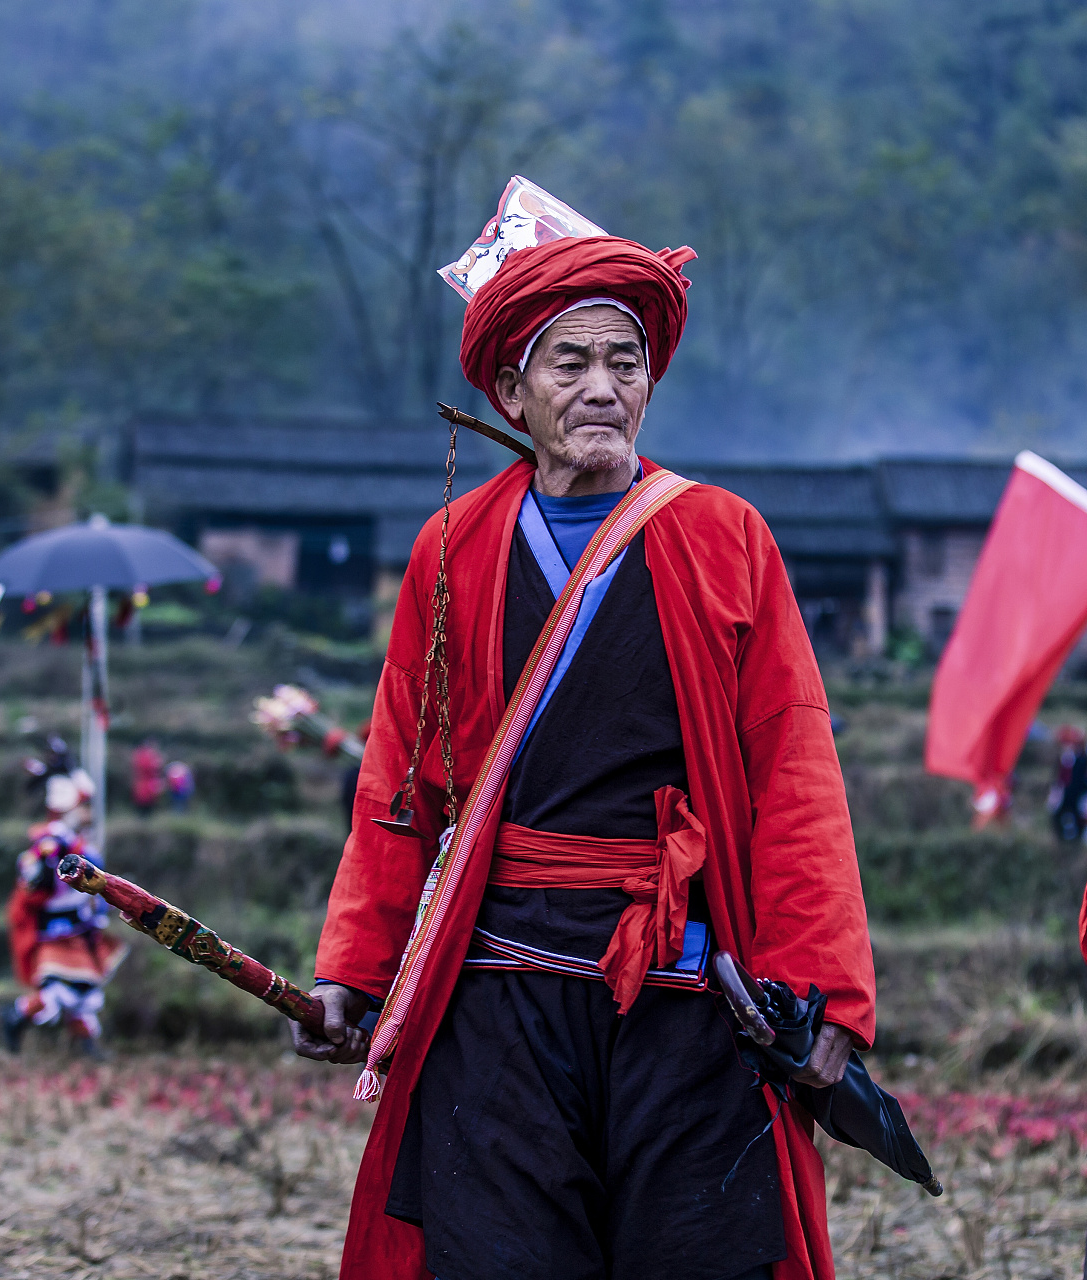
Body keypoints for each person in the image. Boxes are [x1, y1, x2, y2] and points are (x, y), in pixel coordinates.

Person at [291, 227, 875, 1280]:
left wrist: (821, 987)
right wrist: (354, 965)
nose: (603, 385)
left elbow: (794, 767)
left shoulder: (721, 535)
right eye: (572, 362)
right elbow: (399, 776)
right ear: (511, 390)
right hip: (496, 995)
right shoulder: (451, 548)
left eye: (626, 360)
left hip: (685, 993)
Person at [2, 771, 126, 1055]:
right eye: (84, 807)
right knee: (56, 989)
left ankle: (87, 1047)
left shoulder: (77, 842)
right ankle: (14, 1018)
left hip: (82, 927)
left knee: (84, 991)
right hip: (56, 928)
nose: (88, 813)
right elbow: (34, 879)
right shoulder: (52, 842)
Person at [1048, 725, 1087, 842]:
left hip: (1078, 792)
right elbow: (1058, 777)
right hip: (1063, 792)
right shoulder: (1061, 758)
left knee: (1078, 815)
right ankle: (1060, 837)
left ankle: (1077, 837)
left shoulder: (1082, 759)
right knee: (1058, 813)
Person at [131, 739, 165, 816]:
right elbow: (151, 767)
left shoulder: (140, 755)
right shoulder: (146, 756)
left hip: (146, 786)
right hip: (146, 786)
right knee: (145, 808)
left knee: (147, 808)